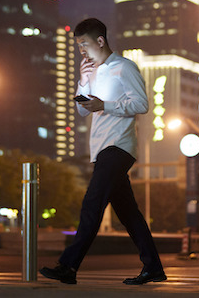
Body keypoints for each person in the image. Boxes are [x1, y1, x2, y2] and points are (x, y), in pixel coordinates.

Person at [40, 18, 166, 286]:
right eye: (78, 46)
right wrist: (84, 82)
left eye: (84, 44)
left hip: (118, 146)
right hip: (101, 148)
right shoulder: (93, 72)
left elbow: (141, 104)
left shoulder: (124, 67)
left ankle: (68, 266)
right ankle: (153, 267)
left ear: (100, 40)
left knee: (92, 203)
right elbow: (83, 109)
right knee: (129, 214)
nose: (81, 51)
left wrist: (105, 105)